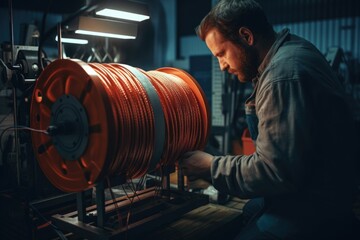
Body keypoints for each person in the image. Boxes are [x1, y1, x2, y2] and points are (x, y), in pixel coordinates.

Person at [179, 0, 359, 239]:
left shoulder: (281, 77)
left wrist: (211, 167)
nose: (221, 66)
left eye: (221, 54)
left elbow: (274, 172)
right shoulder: (292, 50)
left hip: (316, 204)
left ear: (246, 36)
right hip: (321, 188)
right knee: (250, 209)